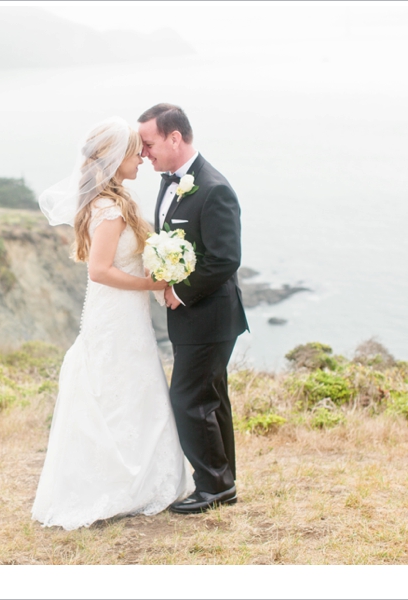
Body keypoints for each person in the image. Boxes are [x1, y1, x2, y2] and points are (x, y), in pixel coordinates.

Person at [32, 117, 193, 530]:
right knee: (118, 388)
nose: (142, 157)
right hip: (115, 313)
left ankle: (141, 479)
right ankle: (119, 484)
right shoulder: (107, 208)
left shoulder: (114, 200)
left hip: (127, 312)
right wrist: (150, 283)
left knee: (135, 388)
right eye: (135, 151)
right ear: (115, 157)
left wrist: (159, 278)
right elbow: (100, 270)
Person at [137, 103, 249, 514]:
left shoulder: (214, 188)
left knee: (188, 400)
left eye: (149, 145)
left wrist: (180, 291)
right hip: (196, 318)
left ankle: (214, 486)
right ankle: (223, 482)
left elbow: (225, 258)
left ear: (175, 138)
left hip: (210, 316)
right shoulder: (171, 183)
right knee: (210, 399)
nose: (144, 153)